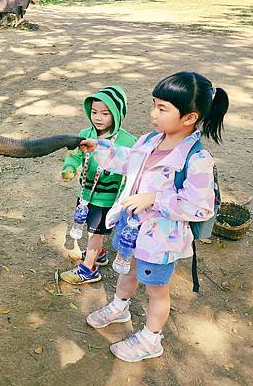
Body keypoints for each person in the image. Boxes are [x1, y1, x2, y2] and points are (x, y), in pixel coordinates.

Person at [80, 71, 229, 362]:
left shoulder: (196, 159)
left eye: (162, 108)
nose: (153, 114)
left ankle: (151, 339)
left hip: (161, 240)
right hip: (133, 229)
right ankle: (119, 306)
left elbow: (201, 207)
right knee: (127, 270)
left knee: (157, 291)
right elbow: (127, 160)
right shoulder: (150, 140)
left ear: (189, 118)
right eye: (154, 105)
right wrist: (101, 148)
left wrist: (154, 199)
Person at [60, 86, 136, 285]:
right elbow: (74, 156)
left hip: (106, 199)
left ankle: (88, 269)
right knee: (89, 226)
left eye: (105, 113)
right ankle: (99, 254)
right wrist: (69, 167)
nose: (98, 118)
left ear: (118, 114)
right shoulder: (85, 134)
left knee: (96, 232)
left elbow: (133, 169)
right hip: (85, 194)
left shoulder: (128, 141)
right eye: (94, 112)